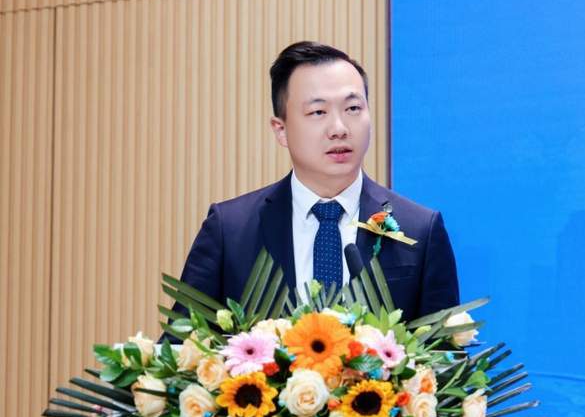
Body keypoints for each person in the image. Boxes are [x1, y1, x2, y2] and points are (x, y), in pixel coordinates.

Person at [172, 41, 459, 322]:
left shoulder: (420, 230)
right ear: (281, 130)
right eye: (318, 112)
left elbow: (444, 350)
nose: (339, 129)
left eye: (353, 108)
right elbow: (181, 344)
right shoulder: (230, 230)